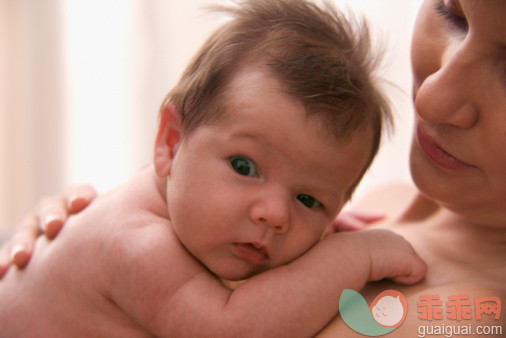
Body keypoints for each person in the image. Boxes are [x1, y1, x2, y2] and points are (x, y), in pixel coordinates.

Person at [0, 0, 427, 336]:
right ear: (171, 142)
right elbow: (230, 328)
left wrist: (321, 230)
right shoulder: (134, 243)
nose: (275, 215)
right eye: (245, 166)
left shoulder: (192, 206)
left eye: (308, 198)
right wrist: (354, 257)